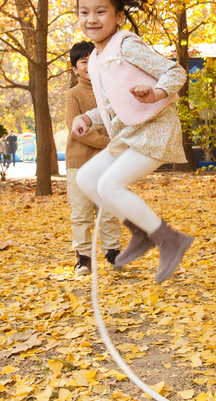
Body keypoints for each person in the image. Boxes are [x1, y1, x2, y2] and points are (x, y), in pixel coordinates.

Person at [71, 0, 193, 284]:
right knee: (86, 178)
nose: (91, 18)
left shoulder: (127, 44)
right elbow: (113, 104)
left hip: (155, 130)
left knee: (109, 184)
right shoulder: (95, 57)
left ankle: (170, 239)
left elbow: (175, 72)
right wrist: (86, 117)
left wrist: (155, 92)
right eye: (84, 12)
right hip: (129, 135)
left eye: (100, 12)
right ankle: (140, 231)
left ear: (119, 15)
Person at [66, 41, 123, 276]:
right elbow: (76, 129)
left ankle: (113, 253)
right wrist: (108, 143)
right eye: (83, 62)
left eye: (93, 60)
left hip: (108, 163)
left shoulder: (110, 92)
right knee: (81, 212)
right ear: (74, 69)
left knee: (108, 209)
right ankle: (83, 257)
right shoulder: (74, 94)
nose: (89, 66)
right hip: (79, 164)